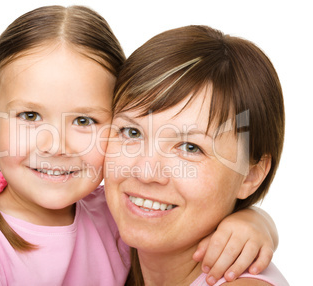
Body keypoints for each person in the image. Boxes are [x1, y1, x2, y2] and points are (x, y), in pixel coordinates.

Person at [0, 6, 278, 285]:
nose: (55, 145)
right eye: (133, 133)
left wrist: (255, 218)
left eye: (85, 121)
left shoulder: (107, 219)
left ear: (252, 175)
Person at [104, 25, 289, 285]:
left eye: (190, 147)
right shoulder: (102, 239)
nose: (145, 172)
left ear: (251, 175)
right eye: (131, 132)